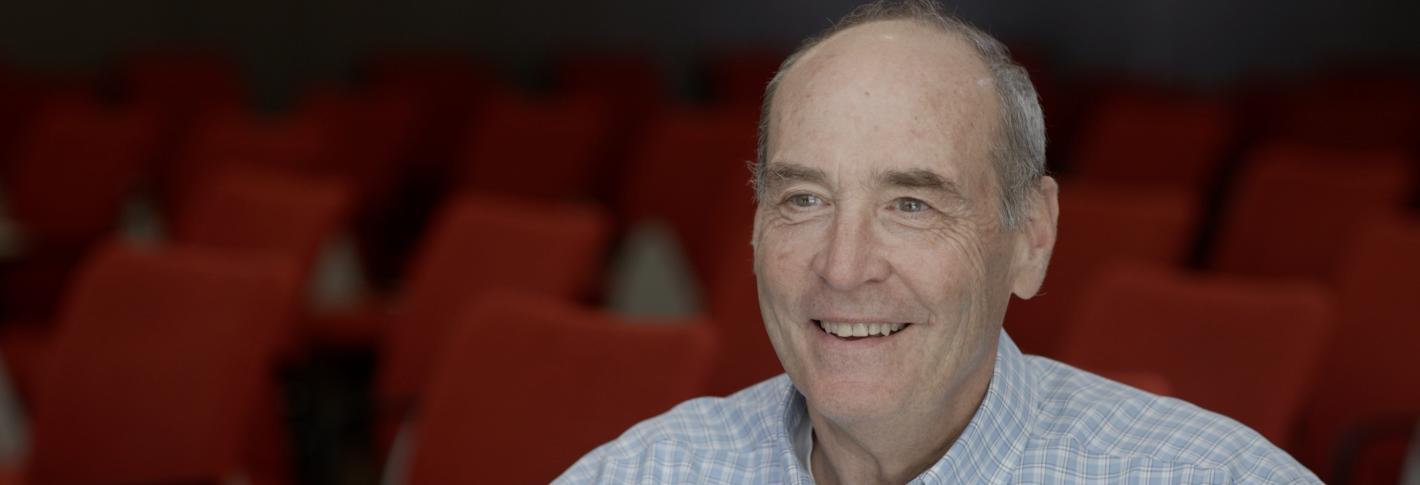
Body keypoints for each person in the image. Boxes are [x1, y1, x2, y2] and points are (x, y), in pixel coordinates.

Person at [558, 1, 1321, 483]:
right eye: (804, 197)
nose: (843, 264)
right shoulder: (647, 470)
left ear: (1033, 238)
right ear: (756, 225)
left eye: (912, 203)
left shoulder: (1208, 475)